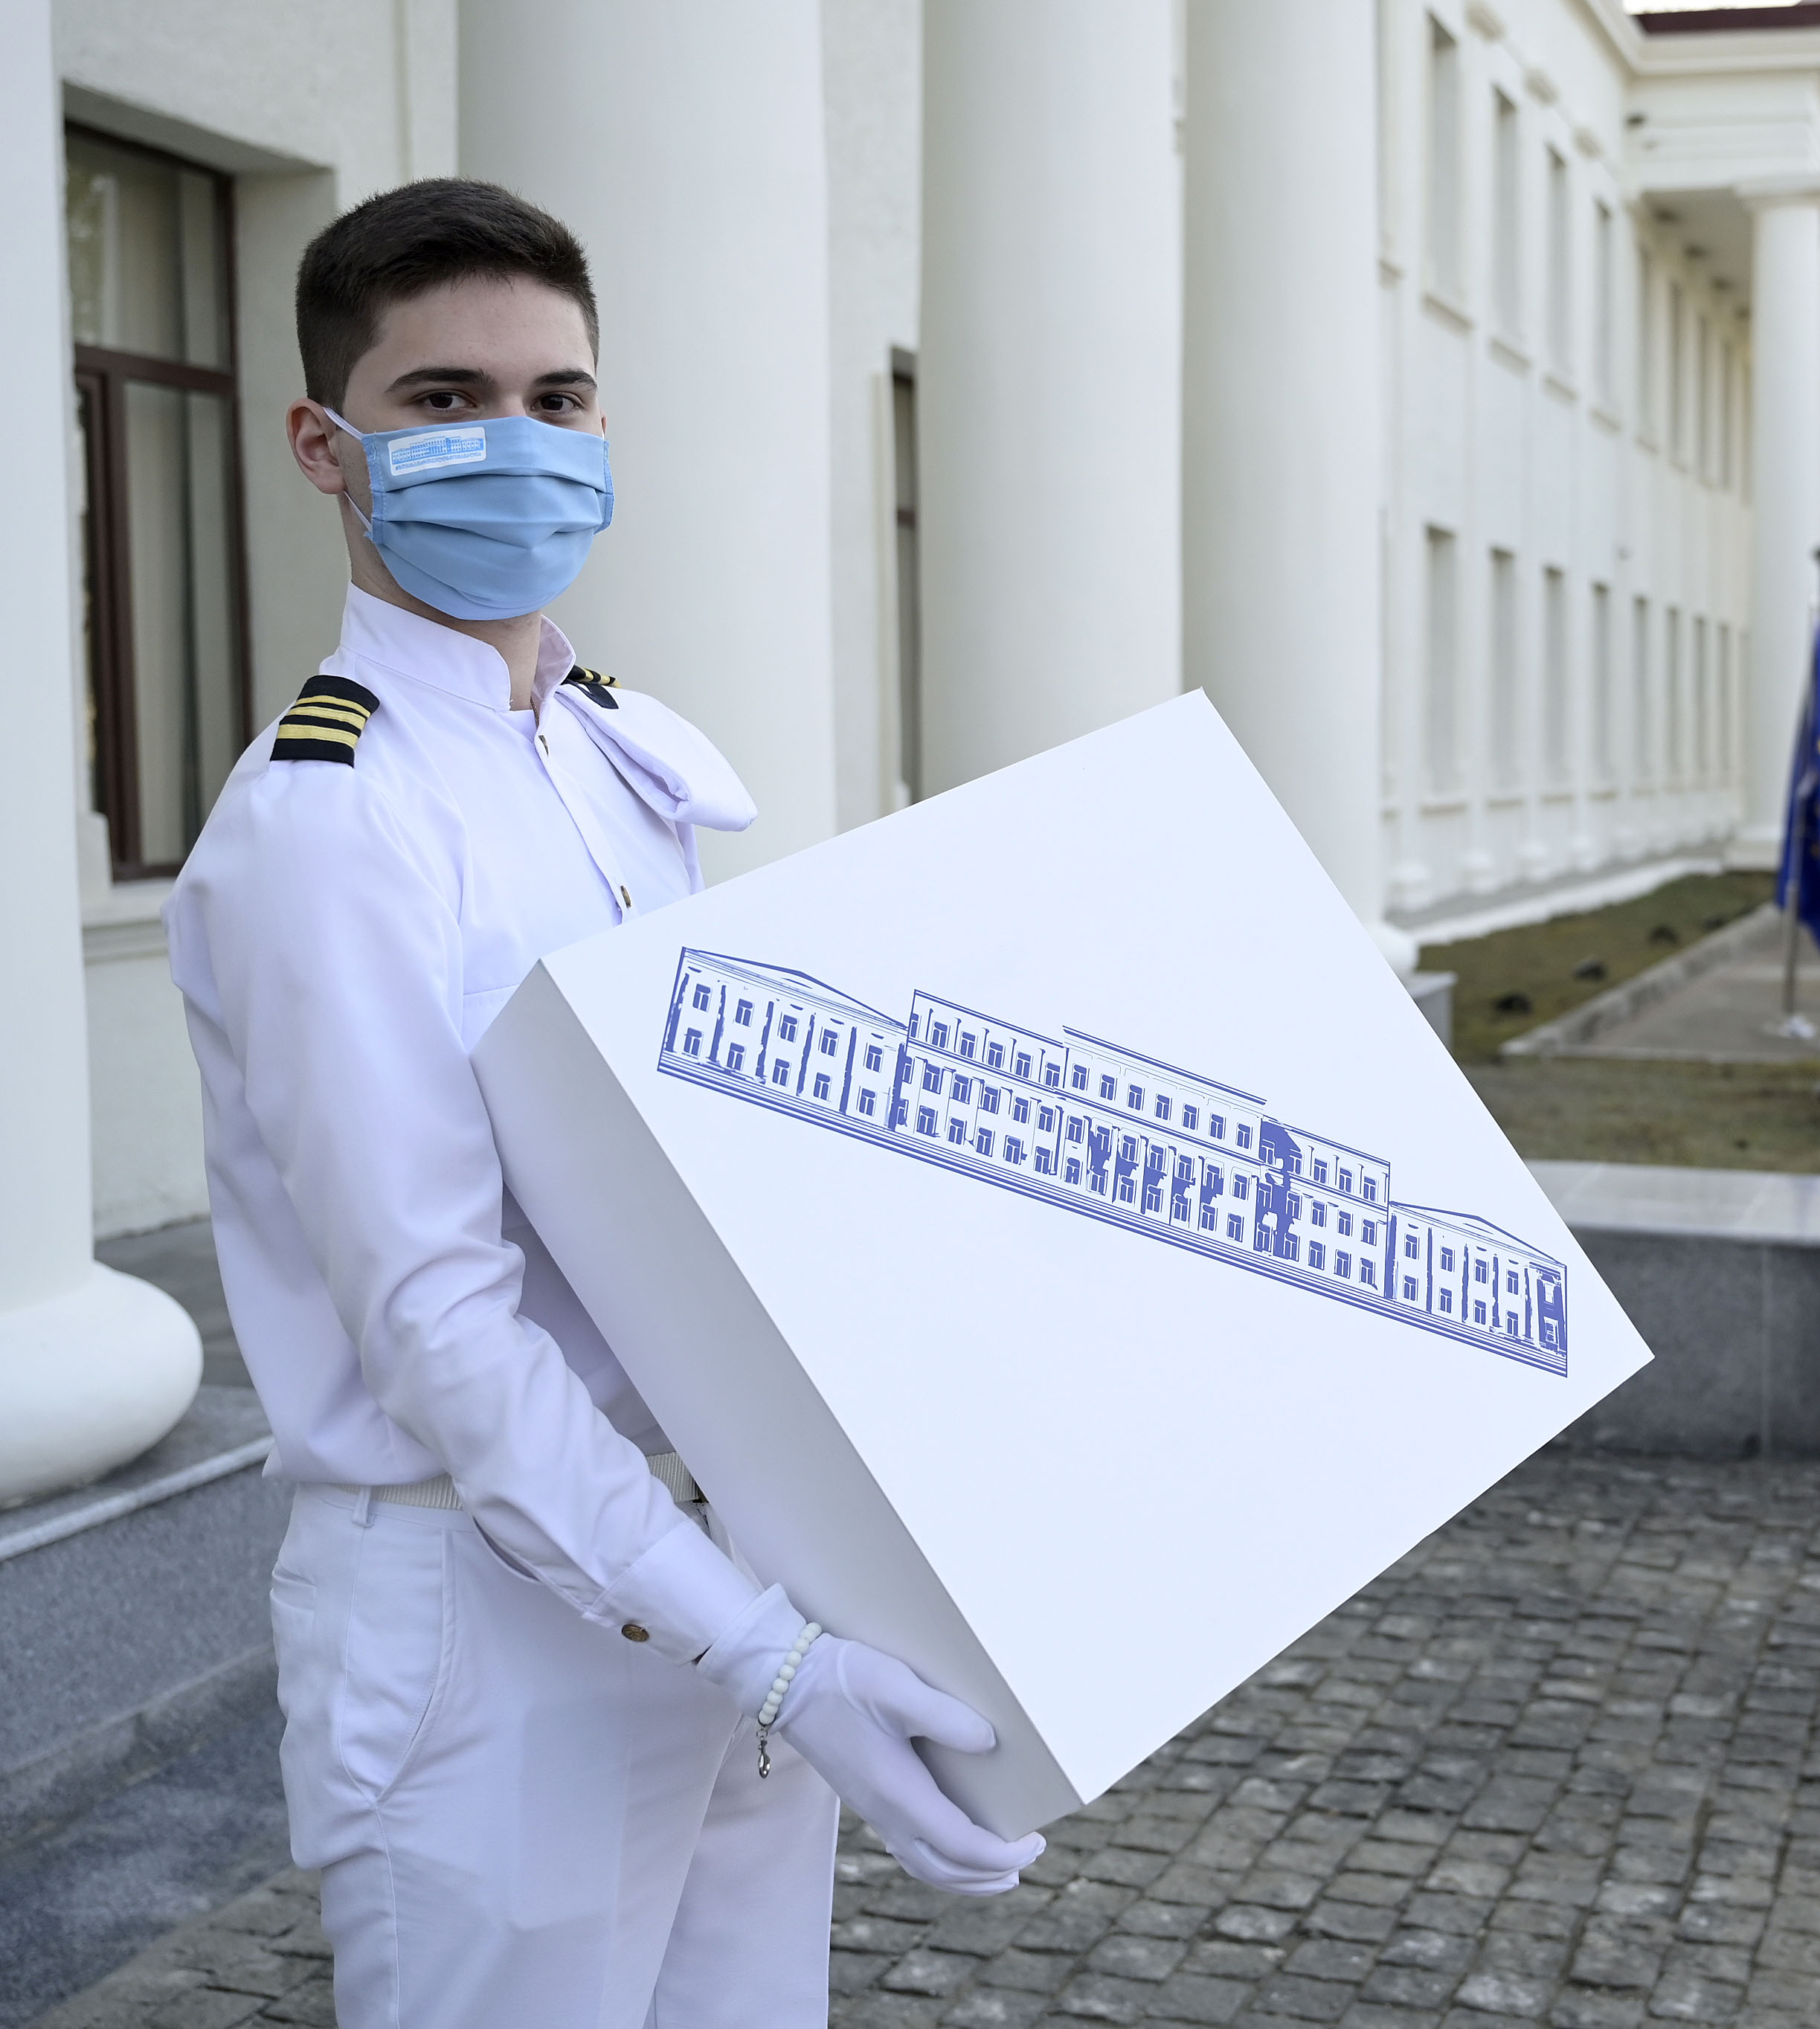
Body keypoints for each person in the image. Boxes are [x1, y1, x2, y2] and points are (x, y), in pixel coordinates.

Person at [164, 179, 1038, 2029]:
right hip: (493, 1631)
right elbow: (441, 1326)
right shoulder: (330, 823)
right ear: (324, 445)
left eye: (555, 399)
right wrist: (771, 1654)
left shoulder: (616, 753)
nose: (515, 440)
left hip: (727, 1568)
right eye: (444, 399)